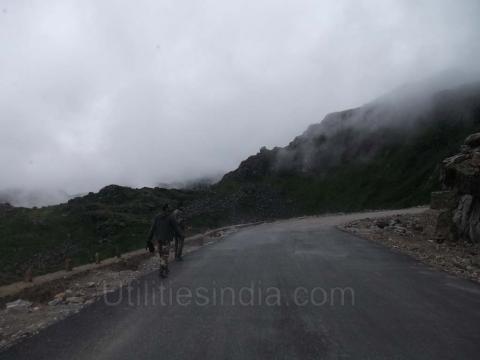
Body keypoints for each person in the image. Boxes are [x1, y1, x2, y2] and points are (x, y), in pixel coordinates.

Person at [147, 204, 184, 278]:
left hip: (159, 240)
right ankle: (161, 272)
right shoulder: (171, 217)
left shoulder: (157, 217)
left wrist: (148, 240)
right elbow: (176, 228)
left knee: (162, 256)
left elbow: (152, 229)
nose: (170, 210)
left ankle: (166, 268)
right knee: (165, 257)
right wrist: (181, 235)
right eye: (169, 208)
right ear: (166, 209)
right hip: (166, 240)